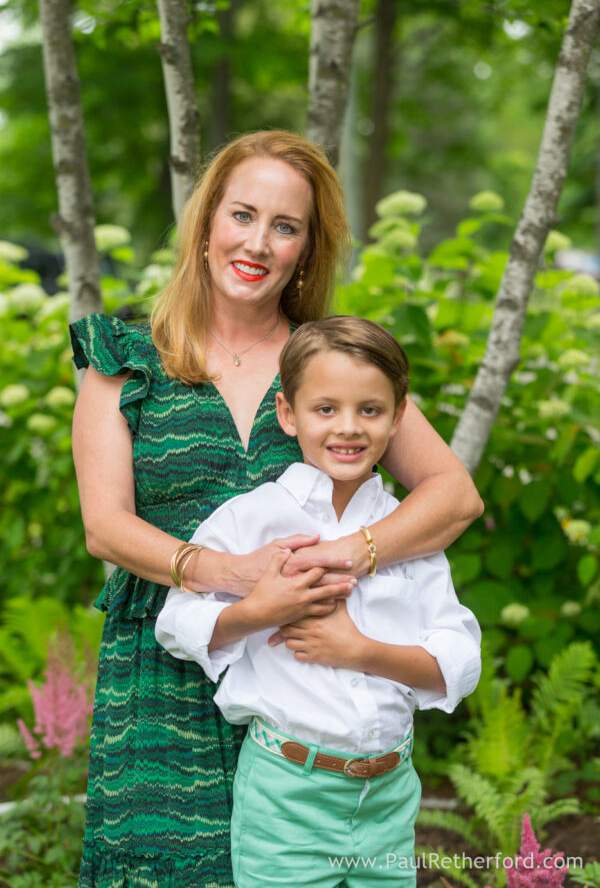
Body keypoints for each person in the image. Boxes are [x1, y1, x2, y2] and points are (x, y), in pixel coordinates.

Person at [71, 130, 483, 888]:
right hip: (163, 676)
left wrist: (350, 555)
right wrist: (232, 574)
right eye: (242, 215)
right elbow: (105, 525)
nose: (258, 242)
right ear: (205, 225)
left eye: (285, 226)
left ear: (305, 247)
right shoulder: (125, 358)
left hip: (304, 675)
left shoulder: (326, 365)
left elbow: (453, 495)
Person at [155, 316, 482, 887]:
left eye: (370, 410)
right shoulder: (253, 519)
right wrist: (255, 613)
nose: (348, 428)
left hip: (389, 794)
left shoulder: (406, 531)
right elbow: (176, 620)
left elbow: (461, 658)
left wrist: (360, 650)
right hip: (287, 793)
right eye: (325, 409)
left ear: (399, 417)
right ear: (288, 414)